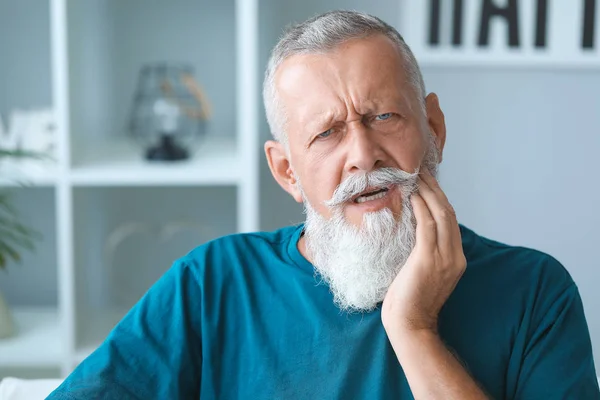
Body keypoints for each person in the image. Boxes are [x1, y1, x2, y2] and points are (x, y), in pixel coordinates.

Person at [48, 10, 599, 399]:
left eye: (384, 116)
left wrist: (414, 329)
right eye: (327, 133)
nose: (362, 155)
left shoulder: (536, 293)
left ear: (433, 128)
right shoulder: (212, 283)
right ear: (287, 171)